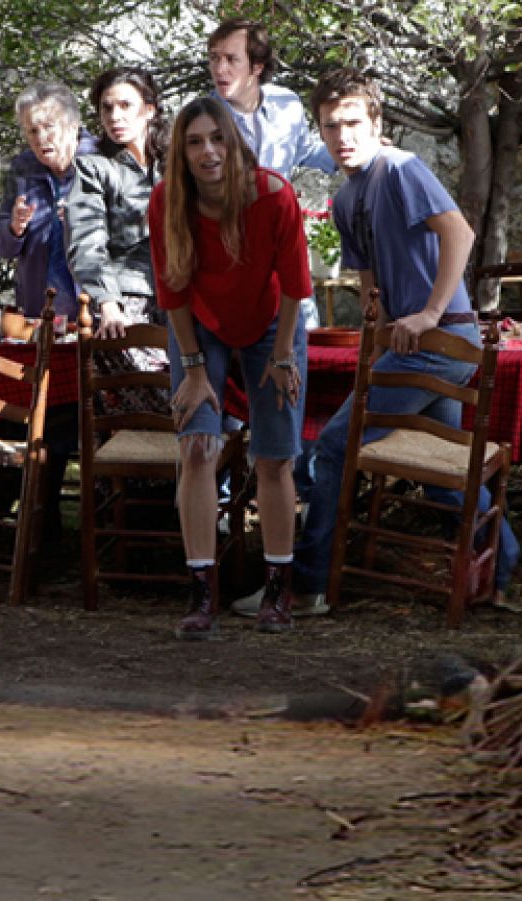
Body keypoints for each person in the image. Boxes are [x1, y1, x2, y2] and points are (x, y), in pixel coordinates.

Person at [271, 68, 519, 618]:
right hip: (407, 346)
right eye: (331, 126)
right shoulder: (344, 199)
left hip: (441, 339)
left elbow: (460, 232)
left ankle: (308, 585)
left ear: (376, 122)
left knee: (334, 448)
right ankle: (503, 571)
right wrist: (374, 310)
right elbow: (366, 275)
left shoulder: (401, 168)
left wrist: (429, 311)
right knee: (444, 478)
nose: (343, 136)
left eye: (354, 123)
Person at [148, 97, 311, 638]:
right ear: (182, 152)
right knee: (198, 447)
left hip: (271, 323)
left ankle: (279, 590)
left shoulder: (272, 194)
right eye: (194, 142)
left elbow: (294, 286)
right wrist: (194, 371)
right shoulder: (168, 201)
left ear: (234, 142)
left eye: (216, 138)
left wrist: (284, 355)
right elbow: (171, 293)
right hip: (200, 325)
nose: (207, 152)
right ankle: (201, 592)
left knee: (274, 456)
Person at [207, 17, 336, 332]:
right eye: (214, 58)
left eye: (231, 59)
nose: (219, 69)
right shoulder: (204, 116)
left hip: (283, 240)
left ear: (257, 66)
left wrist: (347, 151)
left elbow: (305, 151)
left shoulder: (287, 104)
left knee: (300, 335)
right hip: (231, 247)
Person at [67, 67, 171, 417]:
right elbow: (85, 240)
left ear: (149, 110)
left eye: (126, 105)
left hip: (181, 299)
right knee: (156, 403)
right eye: (107, 108)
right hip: (127, 302)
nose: (115, 116)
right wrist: (108, 303)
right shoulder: (93, 167)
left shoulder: (175, 163)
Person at [0, 81, 97, 320]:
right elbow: (0, 245)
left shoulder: (102, 162)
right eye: (32, 131)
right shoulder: (23, 168)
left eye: (49, 127)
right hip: (39, 312)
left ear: (73, 126)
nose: (41, 138)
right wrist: (14, 229)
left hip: (97, 311)